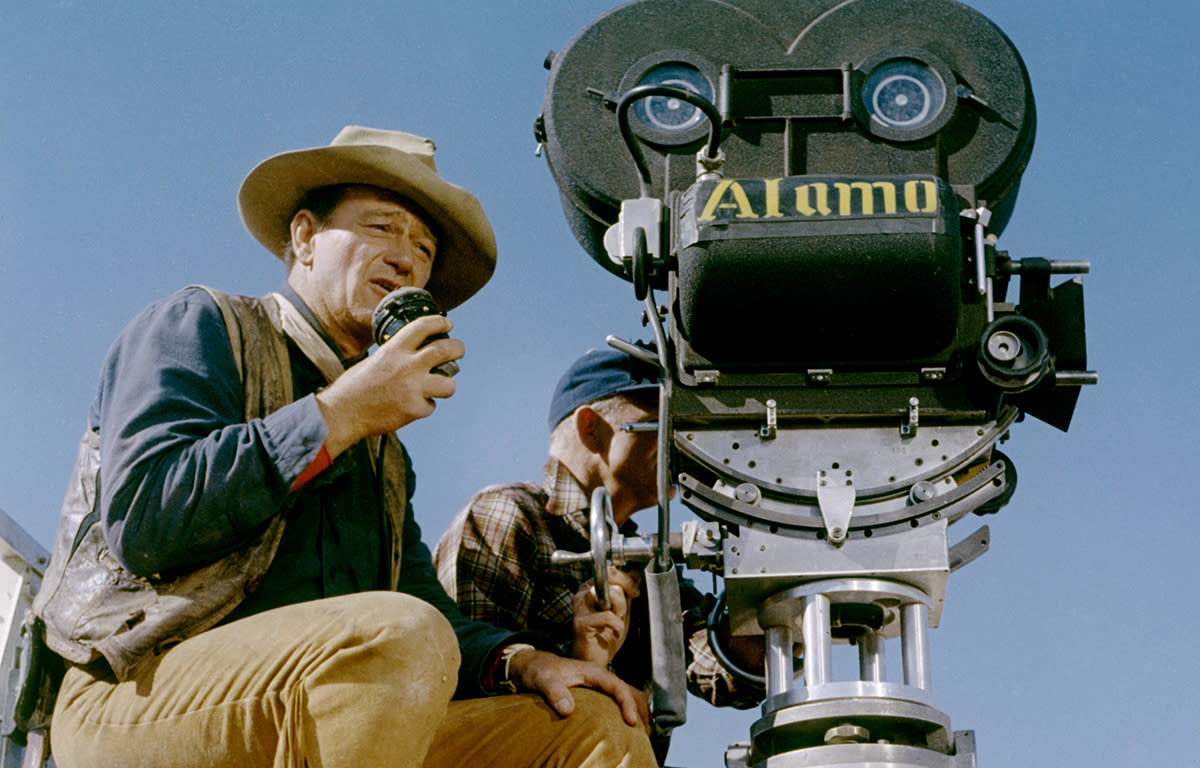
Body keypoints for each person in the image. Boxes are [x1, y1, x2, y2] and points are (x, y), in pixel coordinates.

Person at [38, 126, 656, 768]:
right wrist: (338, 414)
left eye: (423, 248)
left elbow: (424, 605)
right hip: (134, 698)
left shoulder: (384, 451)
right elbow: (146, 519)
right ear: (304, 236)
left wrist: (524, 661)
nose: (407, 259)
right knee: (396, 636)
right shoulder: (203, 326)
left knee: (593, 725)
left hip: (342, 709)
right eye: (382, 228)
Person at [433, 348, 766, 763]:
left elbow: (725, 672)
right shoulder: (507, 514)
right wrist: (579, 658)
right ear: (590, 428)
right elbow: (466, 684)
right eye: (659, 424)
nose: (681, 442)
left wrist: (770, 580)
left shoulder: (648, 563)